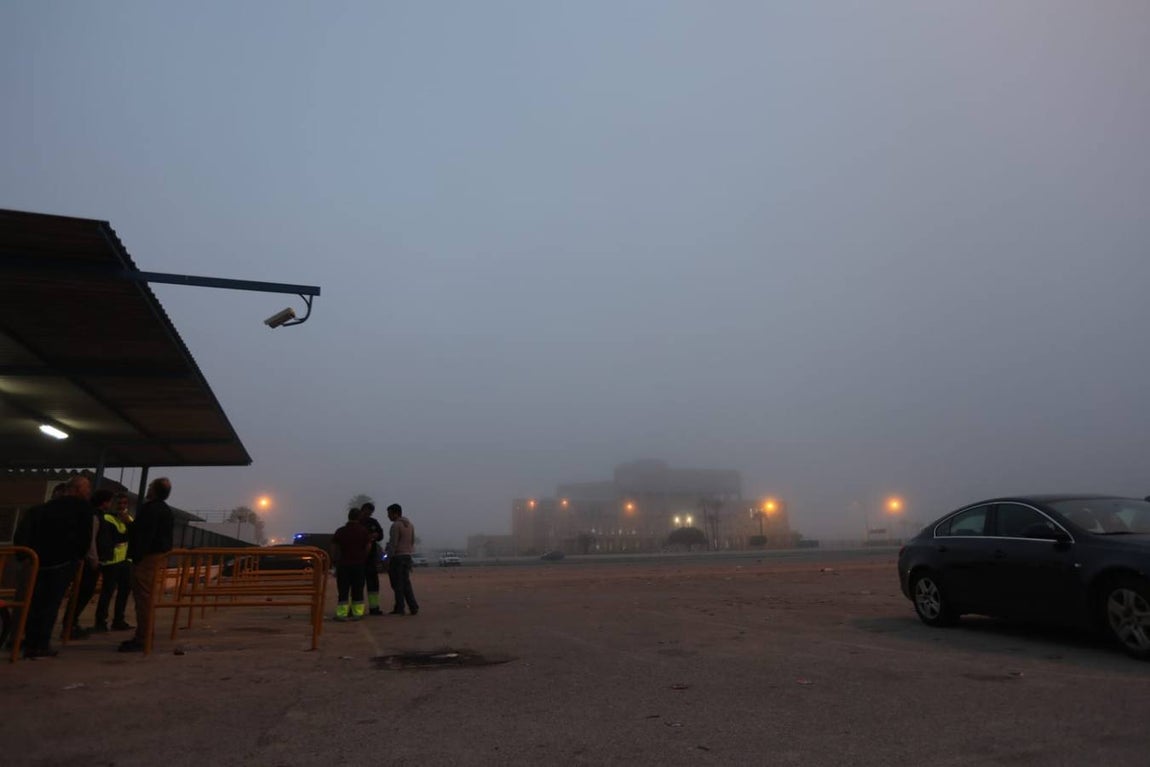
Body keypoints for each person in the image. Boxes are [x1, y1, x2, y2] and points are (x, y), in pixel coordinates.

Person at [13, 475, 94, 658]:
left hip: (39, 562)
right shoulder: (82, 509)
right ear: (77, 490)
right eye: (87, 488)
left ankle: (29, 641)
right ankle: (41, 644)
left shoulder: (41, 509)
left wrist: (25, 557)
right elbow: (84, 537)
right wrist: (79, 556)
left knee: (35, 603)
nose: (89, 492)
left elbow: (24, 533)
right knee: (51, 604)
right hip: (62, 563)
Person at [119, 478, 173, 653]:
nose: (148, 488)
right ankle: (145, 635)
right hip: (155, 557)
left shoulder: (151, 509)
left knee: (143, 599)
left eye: (150, 486)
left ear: (155, 490)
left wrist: (128, 524)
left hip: (146, 558)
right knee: (146, 598)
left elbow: (143, 534)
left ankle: (143, 638)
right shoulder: (165, 510)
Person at [62, 486, 107, 639]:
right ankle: (70, 624)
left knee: (81, 593)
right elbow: (91, 540)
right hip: (88, 562)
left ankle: (70, 623)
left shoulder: (94, 515)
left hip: (86, 560)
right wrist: (94, 560)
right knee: (82, 593)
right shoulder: (94, 516)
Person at [93, 492, 134, 632]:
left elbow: (134, 536)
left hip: (126, 560)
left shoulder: (129, 519)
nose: (121, 506)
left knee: (124, 592)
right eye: (119, 503)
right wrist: (128, 527)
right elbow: (117, 537)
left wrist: (128, 524)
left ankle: (119, 620)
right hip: (112, 561)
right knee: (107, 592)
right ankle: (100, 622)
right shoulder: (107, 518)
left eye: (124, 503)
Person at [331, 508, 371, 621]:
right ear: (359, 517)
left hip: (343, 565)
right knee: (358, 590)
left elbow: (334, 547)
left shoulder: (341, 531)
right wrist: (363, 556)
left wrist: (334, 560)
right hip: (359, 565)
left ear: (349, 516)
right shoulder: (363, 531)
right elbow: (368, 546)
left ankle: (342, 614)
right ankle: (357, 614)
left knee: (343, 590)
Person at [386, 503, 419, 616]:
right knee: (406, 583)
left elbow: (393, 543)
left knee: (397, 584)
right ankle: (413, 606)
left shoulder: (395, 526)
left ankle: (400, 607)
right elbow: (412, 541)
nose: (388, 516)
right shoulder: (410, 525)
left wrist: (388, 558)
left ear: (395, 514)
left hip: (397, 557)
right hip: (407, 556)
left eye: (389, 514)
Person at [359, 502, 385, 615]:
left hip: (370, 559)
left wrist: (376, 535)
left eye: (370, 513)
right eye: (367, 512)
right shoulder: (356, 522)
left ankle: (374, 608)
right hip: (358, 558)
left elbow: (381, 535)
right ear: (363, 510)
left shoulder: (373, 522)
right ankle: (357, 610)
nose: (368, 514)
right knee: (358, 585)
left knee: (373, 585)